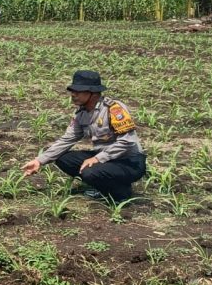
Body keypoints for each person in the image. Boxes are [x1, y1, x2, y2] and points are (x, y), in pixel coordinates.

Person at [21, 70, 147, 202]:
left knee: (90, 172)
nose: (73, 95)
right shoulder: (81, 113)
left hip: (129, 161)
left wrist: (97, 159)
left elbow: (127, 142)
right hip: (106, 159)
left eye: (78, 91)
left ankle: (121, 194)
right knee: (63, 158)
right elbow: (67, 139)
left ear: (93, 93)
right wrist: (39, 161)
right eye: (72, 91)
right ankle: (104, 187)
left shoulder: (114, 109)